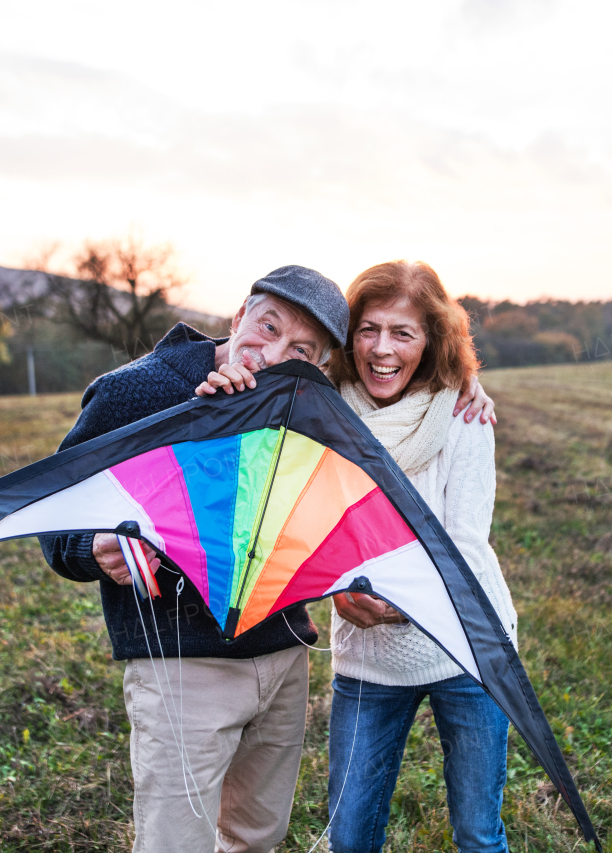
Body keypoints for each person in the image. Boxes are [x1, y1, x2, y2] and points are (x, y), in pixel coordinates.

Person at [39, 264, 496, 853]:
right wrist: (90, 548)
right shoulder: (137, 390)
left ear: (317, 362)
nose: (273, 351)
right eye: (267, 327)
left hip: (281, 658)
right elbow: (57, 514)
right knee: (175, 843)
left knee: (257, 836)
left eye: (300, 348)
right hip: (184, 665)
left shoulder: (303, 402)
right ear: (238, 317)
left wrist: (462, 382)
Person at [198, 260, 517, 853]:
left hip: (469, 646)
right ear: (348, 338)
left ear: (432, 340)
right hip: (369, 660)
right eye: (369, 329)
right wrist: (334, 587)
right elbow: (295, 524)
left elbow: (465, 548)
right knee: (350, 837)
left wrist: (395, 605)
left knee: (477, 832)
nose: (382, 349)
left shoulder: (464, 416)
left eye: (404, 333)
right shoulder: (320, 411)